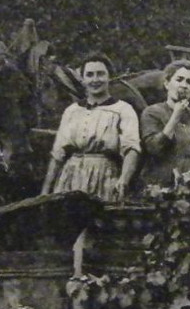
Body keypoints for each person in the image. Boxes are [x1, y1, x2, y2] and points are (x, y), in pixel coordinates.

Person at [40, 52, 140, 203]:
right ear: (83, 79)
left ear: (109, 77)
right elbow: (58, 154)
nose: (95, 80)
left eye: (100, 74)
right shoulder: (72, 111)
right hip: (70, 178)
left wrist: (123, 181)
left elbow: (132, 149)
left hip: (105, 178)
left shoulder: (123, 110)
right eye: (90, 75)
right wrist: (45, 192)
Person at [138, 59, 190, 190]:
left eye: (189, 82)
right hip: (159, 189)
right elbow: (155, 148)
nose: (184, 85)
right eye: (179, 79)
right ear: (167, 84)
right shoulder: (152, 112)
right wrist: (176, 115)